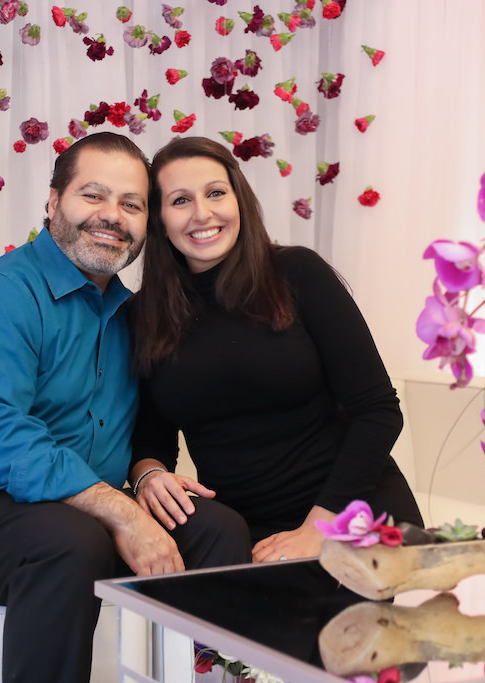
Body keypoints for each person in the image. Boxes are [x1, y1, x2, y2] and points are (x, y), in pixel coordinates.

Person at [0, 132, 251, 683]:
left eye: (131, 204)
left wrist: (146, 473)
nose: (112, 216)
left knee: (216, 529)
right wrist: (124, 512)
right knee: (69, 542)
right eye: (93, 196)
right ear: (54, 202)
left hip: (76, 510)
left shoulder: (136, 316)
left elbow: (150, 426)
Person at [129, 136, 423, 563]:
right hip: (244, 529)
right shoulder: (145, 313)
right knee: (224, 623)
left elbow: (378, 410)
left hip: (349, 511)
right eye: (180, 201)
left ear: (239, 200)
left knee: (313, 628)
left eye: (215, 193)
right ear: (159, 219)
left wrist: (318, 529)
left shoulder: (297, 273)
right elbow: (151, 438)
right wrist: (148, 475)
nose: (202, 214)